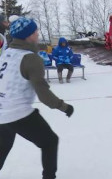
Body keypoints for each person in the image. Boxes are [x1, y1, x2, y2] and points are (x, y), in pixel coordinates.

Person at [0, 17, 74, 179]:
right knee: (50, 142)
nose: (37, 33)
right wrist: (64, 107)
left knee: (2, 149)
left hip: (2, 111)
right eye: (35, 31)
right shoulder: (31, 59)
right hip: (18, 112)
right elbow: (43, 93)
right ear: (28, 36)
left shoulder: (6, 54)